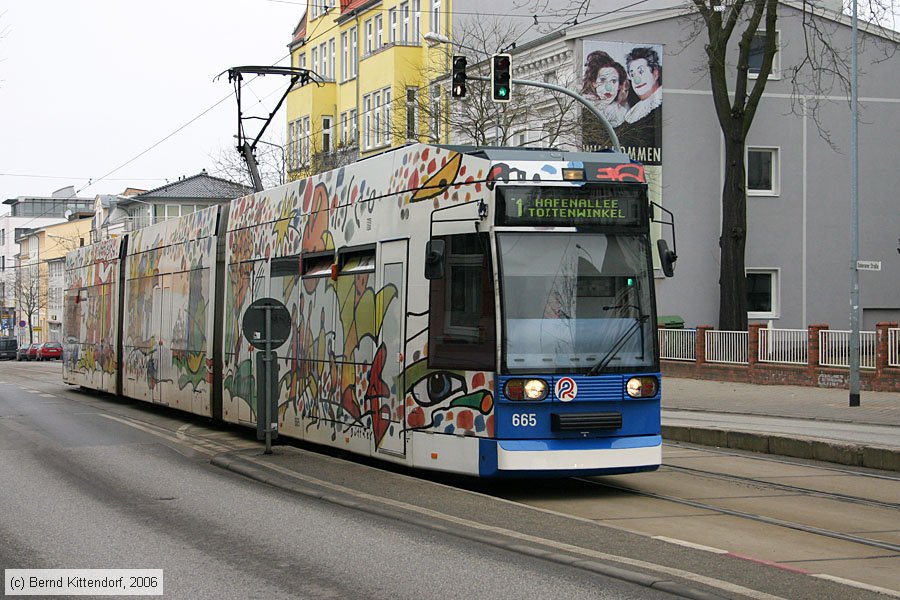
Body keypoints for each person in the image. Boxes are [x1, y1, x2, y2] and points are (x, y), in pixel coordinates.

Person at [617, 46, 662, 162]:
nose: (636, 79)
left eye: (641, 72)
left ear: (655, 73)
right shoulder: (633, 112)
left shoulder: (658, 108)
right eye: (632, 75)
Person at [581, 50, 630, 128]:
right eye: (603, 80)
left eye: (613, 81)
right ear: (594, 83)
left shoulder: (623, 113)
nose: (608, 87)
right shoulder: (585, 106)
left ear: (619, 86)